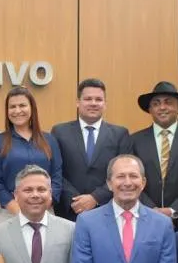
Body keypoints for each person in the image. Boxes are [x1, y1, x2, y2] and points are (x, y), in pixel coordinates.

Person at [130, 81, 178, 229]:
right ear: (150, 109)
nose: (162, 107)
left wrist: (173, 211)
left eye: (168, 102)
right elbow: (132, 179)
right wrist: (151, 210)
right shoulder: (135, 140)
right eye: (156, 103)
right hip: (144, 219)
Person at [51, 78, 132, 220]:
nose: (93, 103)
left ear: (105, 104)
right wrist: (74, 200)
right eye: (88, 99)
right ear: (78, 102)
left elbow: (122, 173)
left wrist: (95, 198)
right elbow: (55, 170)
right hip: (68, 212)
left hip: (107, 210)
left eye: (98, 99)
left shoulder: (120, 134)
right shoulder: (59, 132)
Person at [0, 86, 62, 224]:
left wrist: (47, 203)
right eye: (12, 107)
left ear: (32, 108)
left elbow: (57, 176)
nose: (17, 111)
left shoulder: (49, 140)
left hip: (45, 212)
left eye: (22, 105)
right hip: (9, 213)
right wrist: (17, 209)